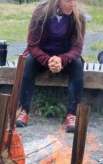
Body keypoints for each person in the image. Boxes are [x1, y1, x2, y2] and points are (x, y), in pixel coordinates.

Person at [16, 0, 86, 133]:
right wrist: (49, 61)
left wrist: (61, 60)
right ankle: (23, 110)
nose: (72, 4)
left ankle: (72, 115)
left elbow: (77, 48)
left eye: (74, 0)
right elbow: (32, 45)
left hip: (65, 58)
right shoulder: (41, 12)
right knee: (28, 63)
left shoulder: (79, 16)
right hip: (42, 55)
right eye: (67, 1)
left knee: (78, 65)